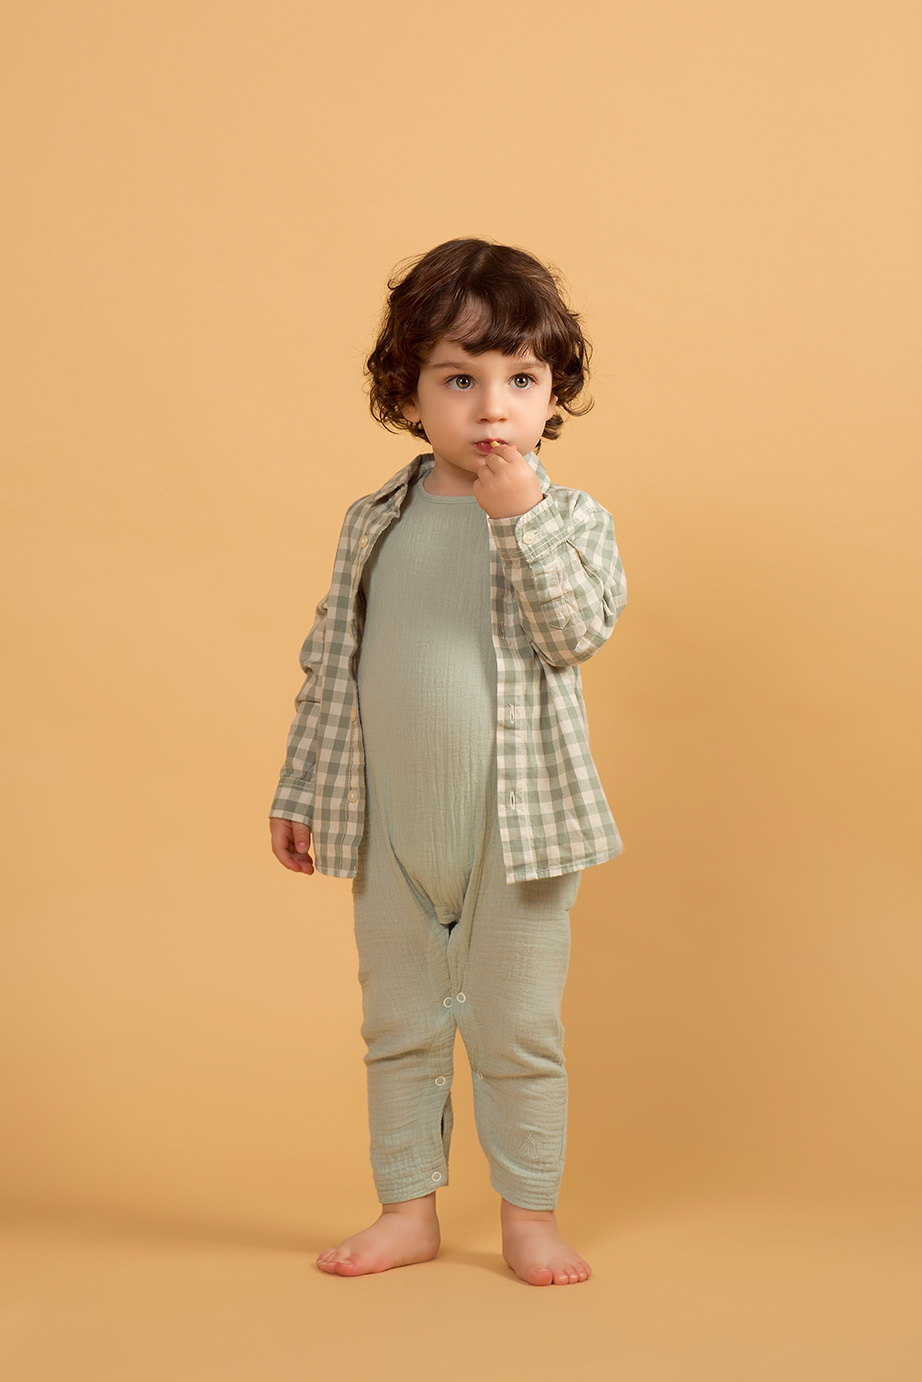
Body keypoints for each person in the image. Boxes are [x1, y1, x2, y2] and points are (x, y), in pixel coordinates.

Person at [268, 237, 628, 1285]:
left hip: (517, 829)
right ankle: (406, 1207)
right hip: (387, 825)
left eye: (518, 380)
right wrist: (302, 790)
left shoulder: (571, 523)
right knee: (397, 1024)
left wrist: (520, 522)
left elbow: (573, 631)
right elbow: (330, 661)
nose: (490, 409)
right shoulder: (374, 521)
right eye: (458, 379)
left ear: (551, 392)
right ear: (408, 391)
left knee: (517, 1029)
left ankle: (529, 1216)